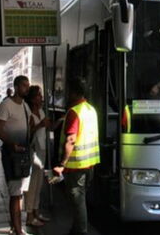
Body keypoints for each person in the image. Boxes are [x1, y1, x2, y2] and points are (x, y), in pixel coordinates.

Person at [53, 77, 100, 235]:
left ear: (73, 93)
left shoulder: (74, 112)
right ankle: (76, 229)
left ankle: (82, 231)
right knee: (80, 200)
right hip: (90, 164)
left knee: (78, 202)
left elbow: (71, 140)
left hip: (76, 167)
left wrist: (62, 164)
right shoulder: (91, 109)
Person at [0, 76, 34, 235]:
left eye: (28, 86)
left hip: (23, 154)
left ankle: (15, 226)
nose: (27, 89)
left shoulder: (25, 106)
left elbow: (30, 121)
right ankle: (18, 230)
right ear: (16, 87)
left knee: (19, 193)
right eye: (24, 86)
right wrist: (12, 144)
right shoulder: (6, 105)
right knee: (15, 193)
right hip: (11, 154)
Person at [24, 85, 51, 227]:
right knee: (32, 183)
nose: (41, 98)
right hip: (34, 150)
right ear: (33, 99)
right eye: (39, 95)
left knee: (39, 182)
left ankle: (36, 211)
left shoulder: (40, 111)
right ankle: (29, 215)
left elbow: (47, 126)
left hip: (42, 149)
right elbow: (29, 132)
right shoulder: (30, 115)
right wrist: (40, 124)